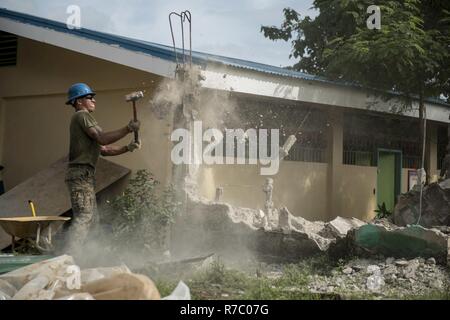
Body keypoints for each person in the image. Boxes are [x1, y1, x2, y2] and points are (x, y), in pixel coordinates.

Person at [64, 83, 141, 253]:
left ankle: (91, 257)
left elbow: (104, 150)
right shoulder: (82, 115)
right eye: (89, 97)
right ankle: (69, 257)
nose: (93, 100)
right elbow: (102, 138)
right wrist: (128, 129)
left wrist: (127, 147)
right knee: (85, 217)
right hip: (80, 174)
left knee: (93, 222)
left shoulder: (83, 120)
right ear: (78, 102)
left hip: (84, 175)